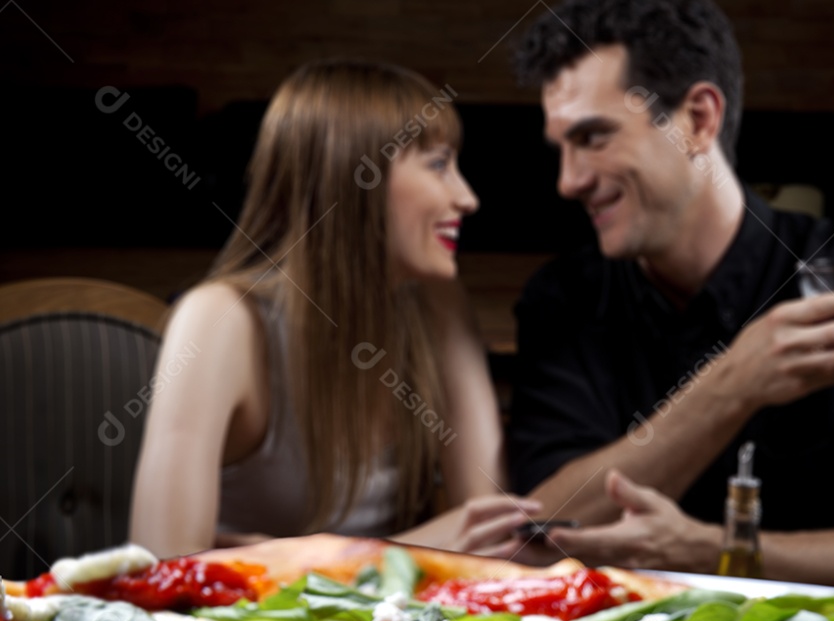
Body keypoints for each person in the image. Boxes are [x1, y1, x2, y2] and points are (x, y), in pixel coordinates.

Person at [508, 0, 834, 599]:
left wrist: (712, 550)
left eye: (593, 137)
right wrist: (735, 382)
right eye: (561, 146)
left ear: (697, 119)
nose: (568, 180)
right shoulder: (562, 299)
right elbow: (547, 531)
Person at [130, 58, 538, 559]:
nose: (467, 197)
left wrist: (269, 555)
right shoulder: (220, 320)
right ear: (357, 177)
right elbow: (161, 565)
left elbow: (489, 538)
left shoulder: (438, 303)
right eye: (438, 165)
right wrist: (398, 552)